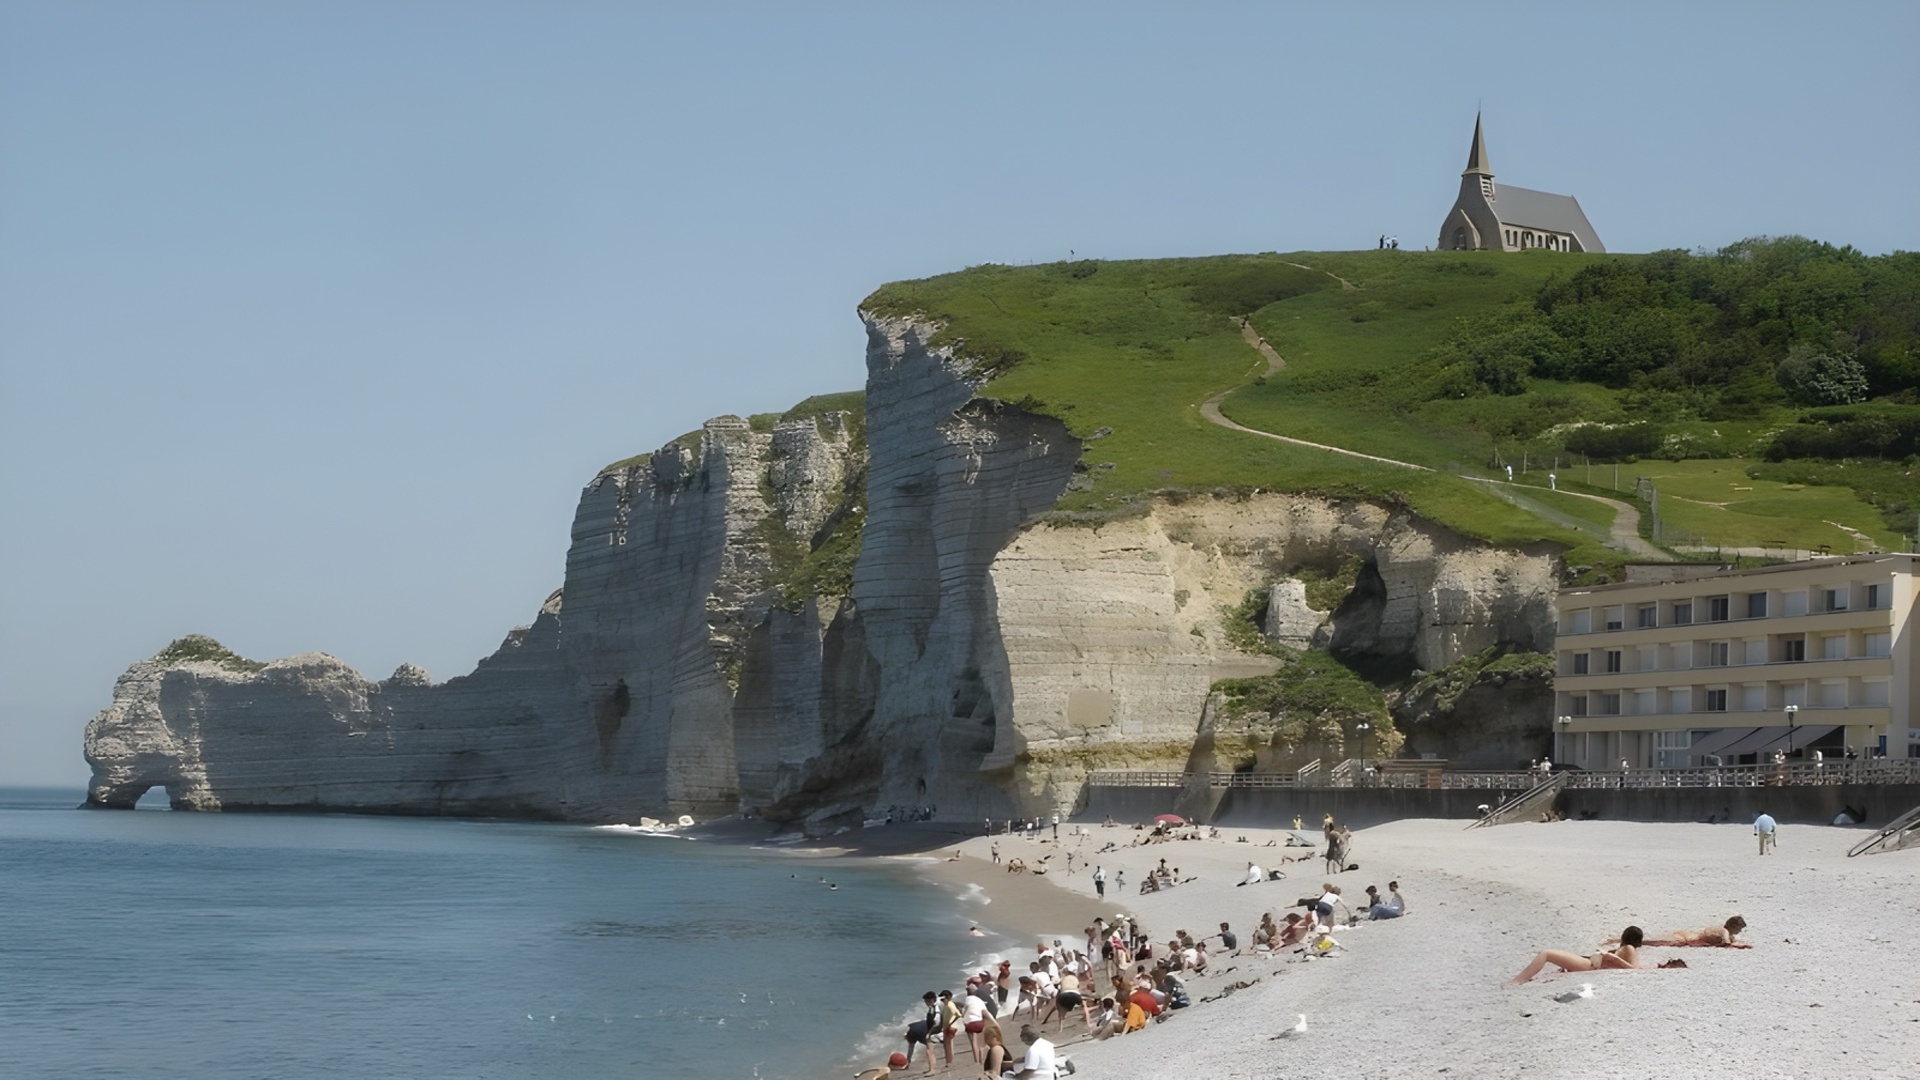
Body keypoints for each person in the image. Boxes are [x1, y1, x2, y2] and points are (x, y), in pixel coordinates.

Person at [1510, 926, 1643, 984]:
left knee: (1546, 954)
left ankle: (1519, 980)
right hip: (1589, 962)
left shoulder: (1629, 948)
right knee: (1549, 954)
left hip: (1590, 965)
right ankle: (1521, 979)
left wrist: (1609, 956)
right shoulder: (1626, 948)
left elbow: (1632, 969)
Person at [1633, 916, 1751, 948]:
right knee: (1647, 942)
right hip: (1685, 938)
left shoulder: (1723, 931)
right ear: (1735, 926)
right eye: (1740, 928)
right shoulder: (1724, 931)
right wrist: (1743, 946)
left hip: (1685, 935)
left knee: (1648, 941)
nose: (1740, 931)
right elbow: (1726, 944)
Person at [902, 991, 939, 1073]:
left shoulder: (933, 1009)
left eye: (926, 1001)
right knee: (930, 1050)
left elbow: (935, 1022)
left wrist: (930, 1033)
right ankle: (931, 1069)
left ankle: (932, 1070)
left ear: (931, 1000)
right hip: (926, 1030)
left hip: (928, 1032)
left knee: (929, 1051)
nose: (925, 1003)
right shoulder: (932, 1009)